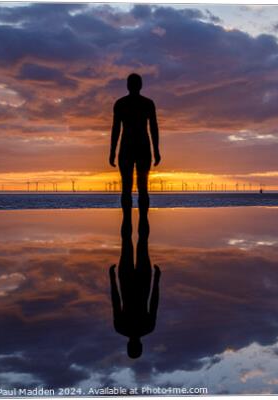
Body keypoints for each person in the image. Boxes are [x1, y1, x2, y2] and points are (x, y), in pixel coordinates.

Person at [109, 73, 161, 224]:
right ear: (140, 85)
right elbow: (153, 129)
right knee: (141, 187)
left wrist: (112, 151)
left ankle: (130, 220)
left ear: (128, 85)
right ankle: (140, 220)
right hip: (142, 148)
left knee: (128, 187)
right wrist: (156, 150)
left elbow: (116, 130)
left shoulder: (121, 104)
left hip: (127, 148)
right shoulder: (147, 103)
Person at [109, 218, 160, 359]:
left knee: (138, 241)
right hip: (131, 282)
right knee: (133, 241)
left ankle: (132, 206)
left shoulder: (147, 328)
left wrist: (157, 280)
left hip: (139, 282)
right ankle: (133, 207)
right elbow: (116, 301)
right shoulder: (121, 328)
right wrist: (112, 279)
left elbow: (154, 302)